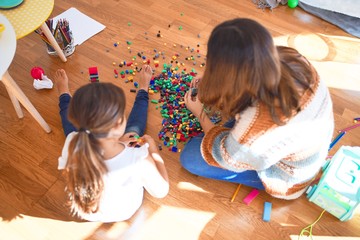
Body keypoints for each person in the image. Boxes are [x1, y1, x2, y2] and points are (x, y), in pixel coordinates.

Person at [180, 18, 334, 200]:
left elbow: (227, 158)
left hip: (289, 180)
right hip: (304, 146)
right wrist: (213, 74)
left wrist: (200, 114)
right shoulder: (291, 59)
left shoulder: (260, 124)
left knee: (189, 157)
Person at [55, 65, 169, 222]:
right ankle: (143, 88)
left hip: (89, 213)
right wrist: (153, 149)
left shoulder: (73, 142)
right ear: (119, 123)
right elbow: (162, 191)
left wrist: (120, 143)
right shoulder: (138, 157)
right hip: (125, 211)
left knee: (70, 132)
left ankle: (63, 93)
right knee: (134, 133)